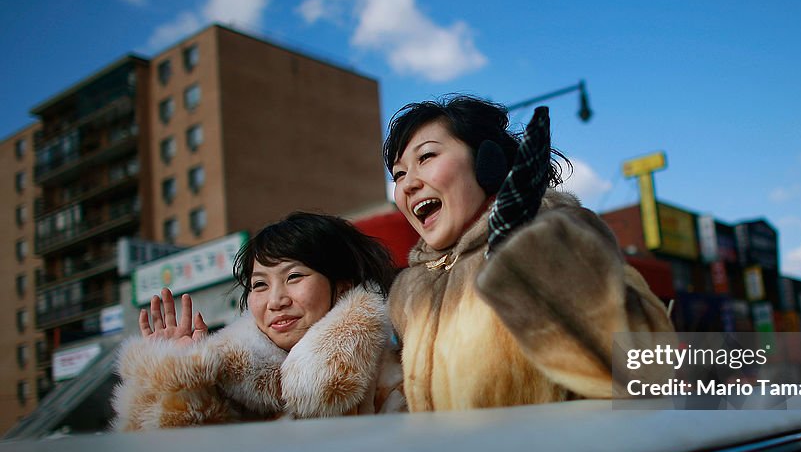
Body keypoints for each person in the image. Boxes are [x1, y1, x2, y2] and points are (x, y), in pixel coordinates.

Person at [383, 95, 673, 411]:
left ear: (486, 161)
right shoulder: (408, 292)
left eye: (426, 156)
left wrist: (526, 253)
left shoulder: (559, 236)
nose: (408, 183)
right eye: (398, 174)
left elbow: (648, 368)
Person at [111, 212, 404, 431]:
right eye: (260, 285)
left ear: (341, 286)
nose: (276, 301)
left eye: (294, 277)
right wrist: (181, 383)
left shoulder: (388, 378)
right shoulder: (225, 377)